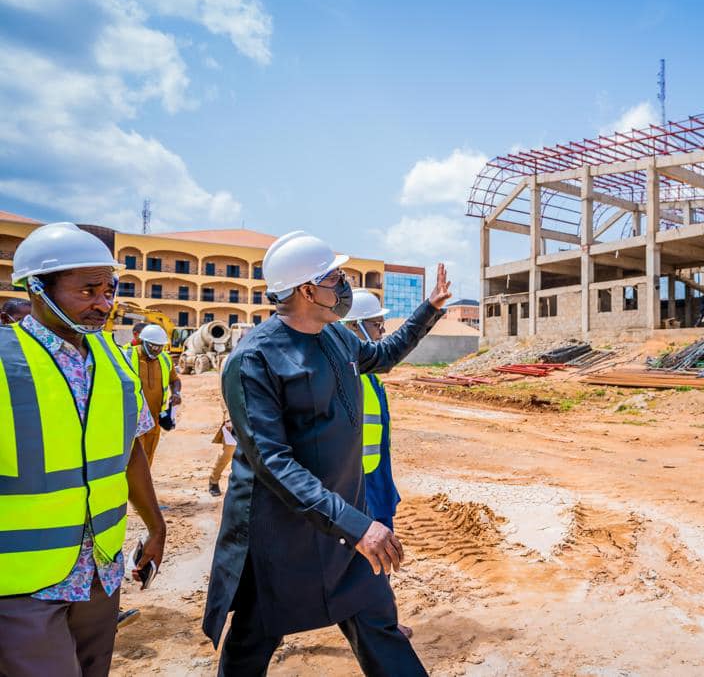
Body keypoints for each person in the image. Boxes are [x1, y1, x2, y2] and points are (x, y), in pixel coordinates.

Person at [203, 231, 448, 676]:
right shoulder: (253, 359)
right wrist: (357, 526)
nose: (344, 283)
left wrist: (428, 309)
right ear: (306, 290)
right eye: (335, 276)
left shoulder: (336, 338)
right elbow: (272, 462)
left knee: (377, 624)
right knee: (254, 638)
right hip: (278, 531)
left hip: (344, 523)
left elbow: (383, 354)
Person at [0, 223, 165, 677]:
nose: (104, 304)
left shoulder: (113, 358)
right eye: (88, 290)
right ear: (37, 289)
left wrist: (156, 526)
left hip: (100, 570)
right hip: (21, 585)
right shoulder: (3, 359)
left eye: (109, 289)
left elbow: (130, 452)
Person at [339, 289, 414, 639]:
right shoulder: (344, 374)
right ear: (355, 327)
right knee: (373, 555)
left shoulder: (367, 372)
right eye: (376, 324)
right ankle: (383, 623)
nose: (383, 331)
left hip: (375, 477)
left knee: (375, 556)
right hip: (355, 483)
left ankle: (381, 618)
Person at [124, 324, 182, 466]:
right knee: (133, 461)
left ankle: (143, 486)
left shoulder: (165, 359)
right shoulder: (126, 355)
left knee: (148, 457)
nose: (157, 349)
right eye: (153, 346)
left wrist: (176, 393)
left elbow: (174, 380)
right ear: (142, 341)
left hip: (155, 419)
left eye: (160, 346)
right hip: (132, 420)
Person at [208, 397, 236, 497]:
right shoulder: (228, 380)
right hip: (234, 418)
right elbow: (224, 394)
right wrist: (228, 418)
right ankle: (214, 480)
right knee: (228, 453)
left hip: (251, 415)